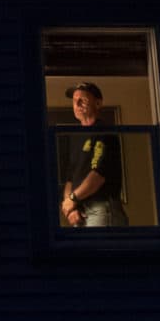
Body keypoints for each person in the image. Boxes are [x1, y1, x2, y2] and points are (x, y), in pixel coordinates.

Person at [60, 80, 127, 228]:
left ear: (98, 104)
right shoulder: (75, 136)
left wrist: (73, 199)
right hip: (79, 210)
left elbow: (98, 174)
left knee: (101, 250)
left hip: (101, 208)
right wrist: (70, 208)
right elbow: (70, 178)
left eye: (82, 100)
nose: (76, 105)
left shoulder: (104, 131)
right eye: (74, 101)